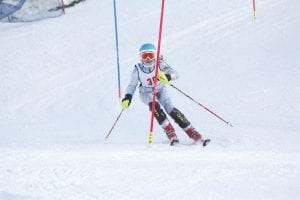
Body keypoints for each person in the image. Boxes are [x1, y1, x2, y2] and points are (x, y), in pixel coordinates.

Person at [121, 43, 207, 146]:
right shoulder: (137, 70)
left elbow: (175, 74)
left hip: (160, 89)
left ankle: (191, 131)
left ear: (155, 56)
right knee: (155, 107)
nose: (148, 59)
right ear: (140, 57)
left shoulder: (160, 64)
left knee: (170, 109)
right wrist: (128, 97)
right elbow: (132, 85)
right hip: (146, 92)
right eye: (145, 56)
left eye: (150, 55)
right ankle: (169, 131)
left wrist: (168, 76)